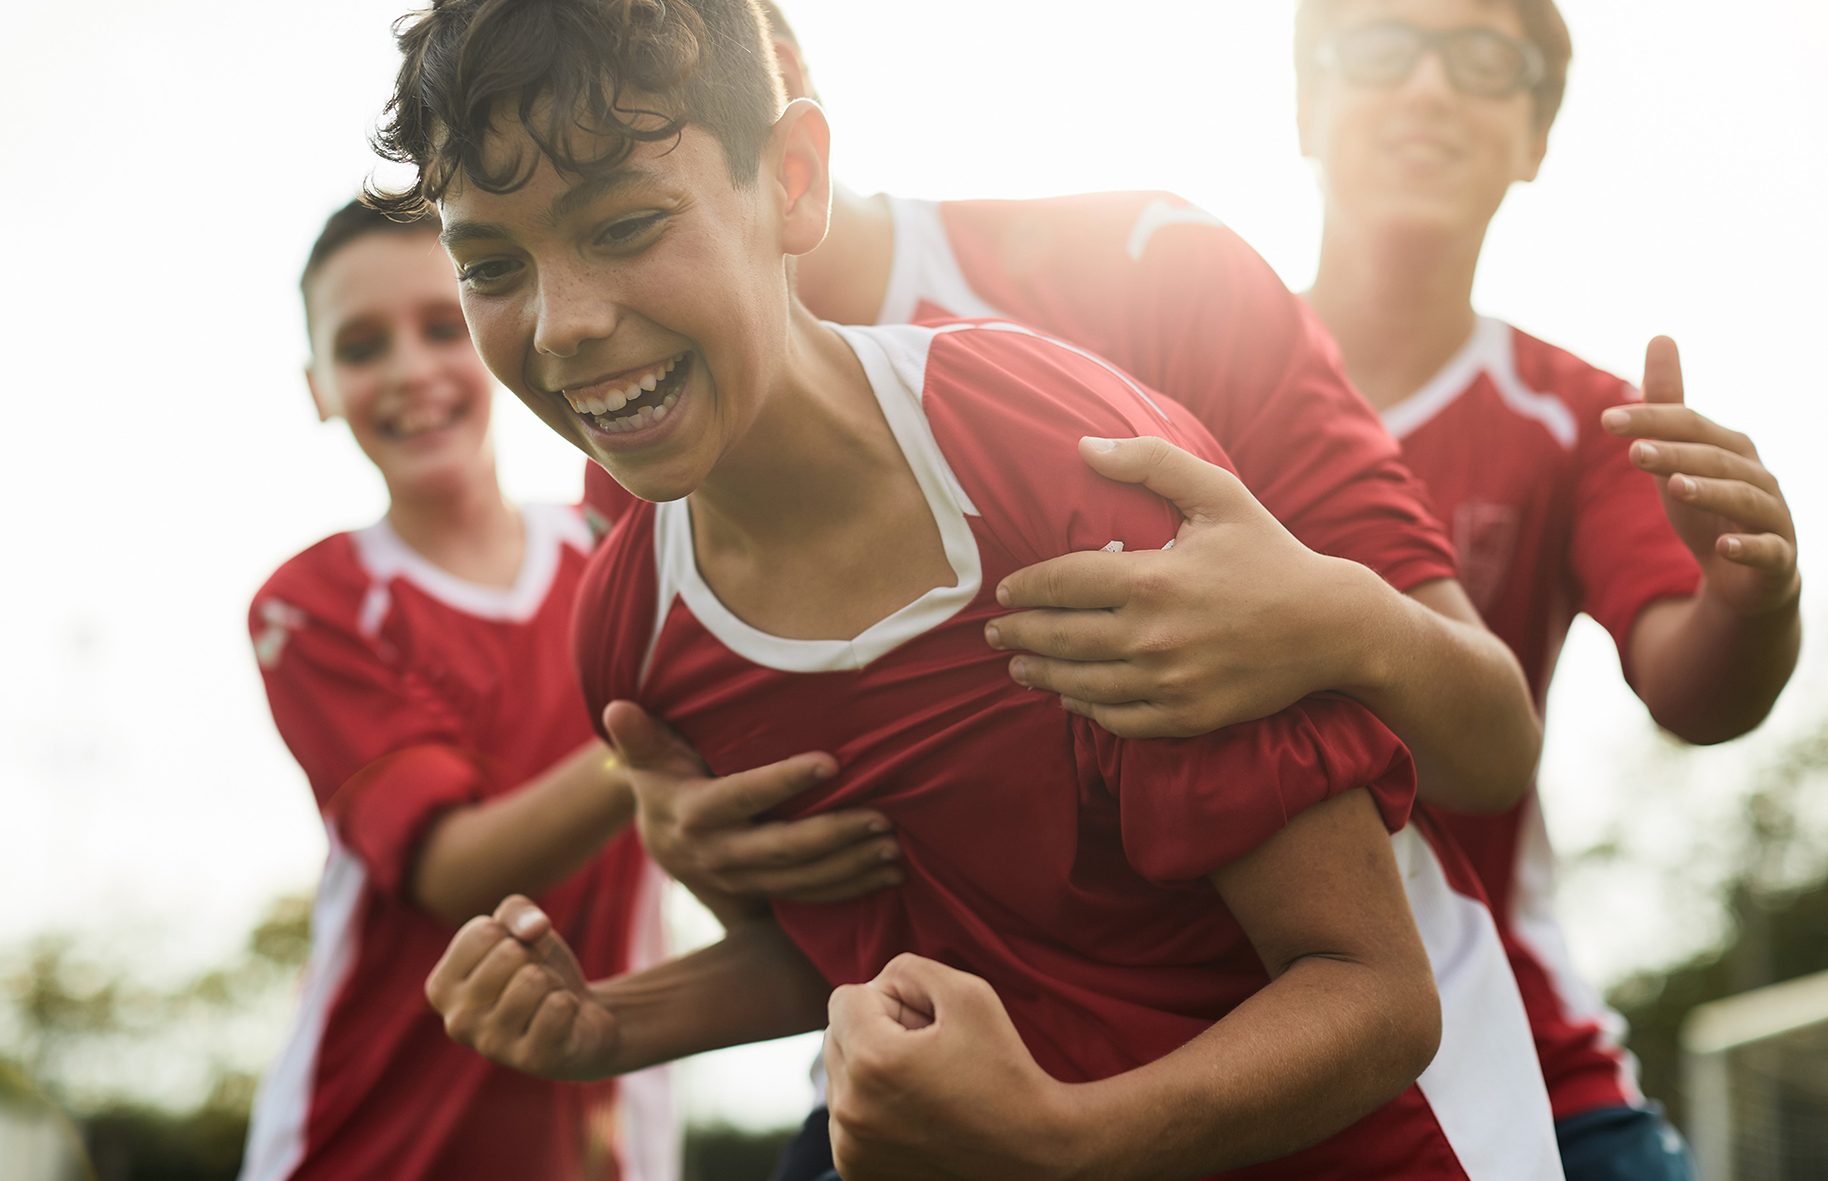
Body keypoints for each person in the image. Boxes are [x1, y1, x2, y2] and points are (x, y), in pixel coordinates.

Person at [385, 1, 1564, 1176]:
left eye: (629, 223)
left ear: (793, 175)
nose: (567, 324)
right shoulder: (633, 622)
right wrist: (612, 1019)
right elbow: (884, 933)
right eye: (491, 264)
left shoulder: (1073, 453)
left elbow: (1375, 991)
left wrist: (1058, 1138)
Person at [1285, 2, 1801, 1176]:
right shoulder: (1152, 373)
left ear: (1536, 136)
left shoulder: (1581, 417)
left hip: (1511, 1047)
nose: (1426, 88)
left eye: (1480, 59)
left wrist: (1750, 595)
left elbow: (1694, 688)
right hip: (1193, 1025)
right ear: (1304, 106)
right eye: (1380, 46)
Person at [238, 200, 675, 1181]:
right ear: (318, 387)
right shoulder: (314, 602)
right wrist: (667, 721)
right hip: (360, 1142)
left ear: (498, 331)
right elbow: (454, 873)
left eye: (443, 325)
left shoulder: (622, 542)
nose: (409, 371)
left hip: (607, 1142)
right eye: (361, 345)